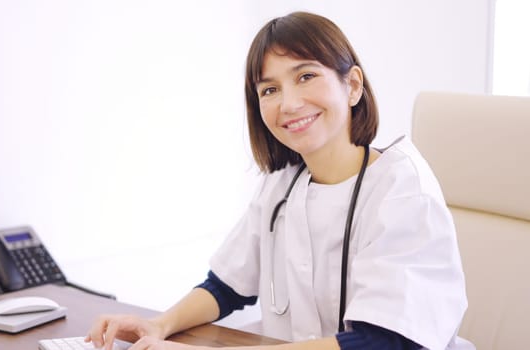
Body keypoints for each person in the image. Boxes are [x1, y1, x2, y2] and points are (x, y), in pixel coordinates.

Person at [85, 11, 474, 350]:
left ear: (353, 85)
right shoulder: (282, 185)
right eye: (269, 89)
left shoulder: (401, 190)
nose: (288, 104)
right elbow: (227, 286)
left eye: (305, 76)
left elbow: (382, 342)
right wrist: (159, 324)